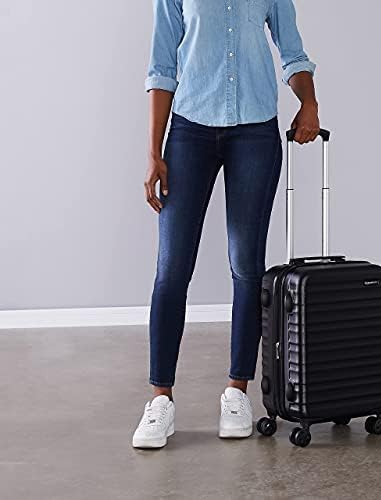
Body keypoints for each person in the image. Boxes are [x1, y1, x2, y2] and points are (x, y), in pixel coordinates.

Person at [133, 0, 320, 449]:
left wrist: (309, 102)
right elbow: (162, 66)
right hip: (189, 131)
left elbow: (293, 53)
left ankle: (237, 392)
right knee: (172, 269)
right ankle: (160, 399)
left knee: (247, 267)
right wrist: (154, 152)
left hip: (255, 132)